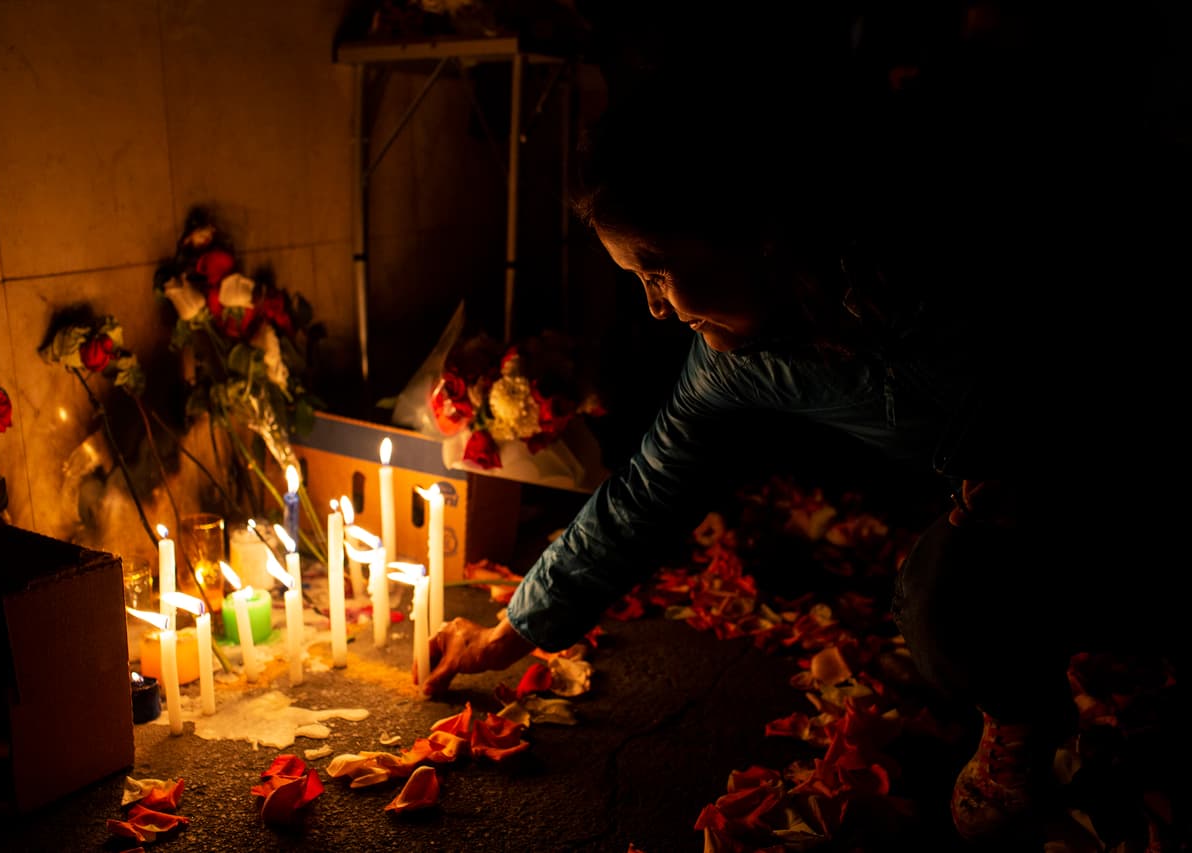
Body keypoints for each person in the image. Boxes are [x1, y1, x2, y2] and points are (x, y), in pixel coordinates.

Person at [423, 5, 1186, 846]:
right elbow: (645, 491)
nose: (656, 307)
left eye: (660, 270)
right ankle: (1020, 711)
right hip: (999, 512)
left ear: (754, 230)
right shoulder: (730, 363)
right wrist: (517, 626)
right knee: (941, 596)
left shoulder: (939, 238)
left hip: (1122, 452)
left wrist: (1029, 448)